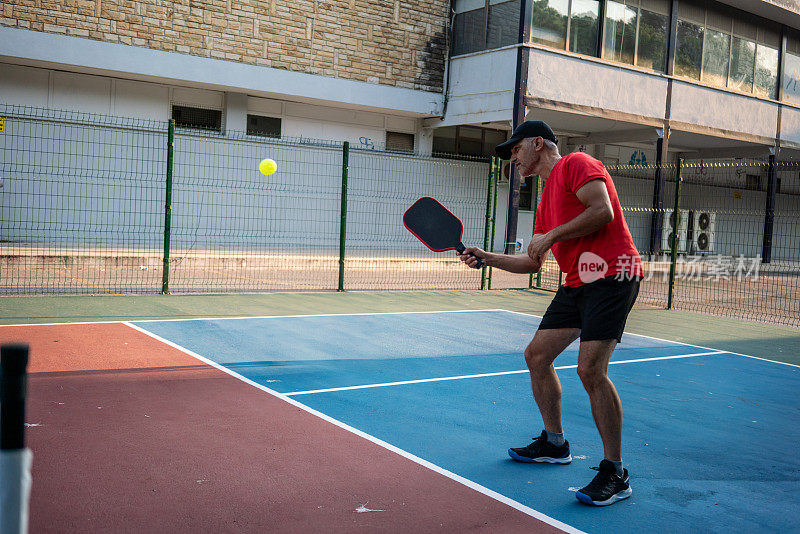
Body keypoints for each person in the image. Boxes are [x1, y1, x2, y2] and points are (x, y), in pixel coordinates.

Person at [459, 120, 642, 506]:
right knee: (536, 356)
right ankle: (555, 444)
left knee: (590, 369)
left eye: (515, 150)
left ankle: (616, 472)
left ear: (538, 143)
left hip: (612, 274)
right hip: (577, 283)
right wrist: (487, 256)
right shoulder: (544, 200)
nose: (513, 158)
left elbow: (603, 211)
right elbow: (532, 262)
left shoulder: (576, 163)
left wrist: (553, 235)